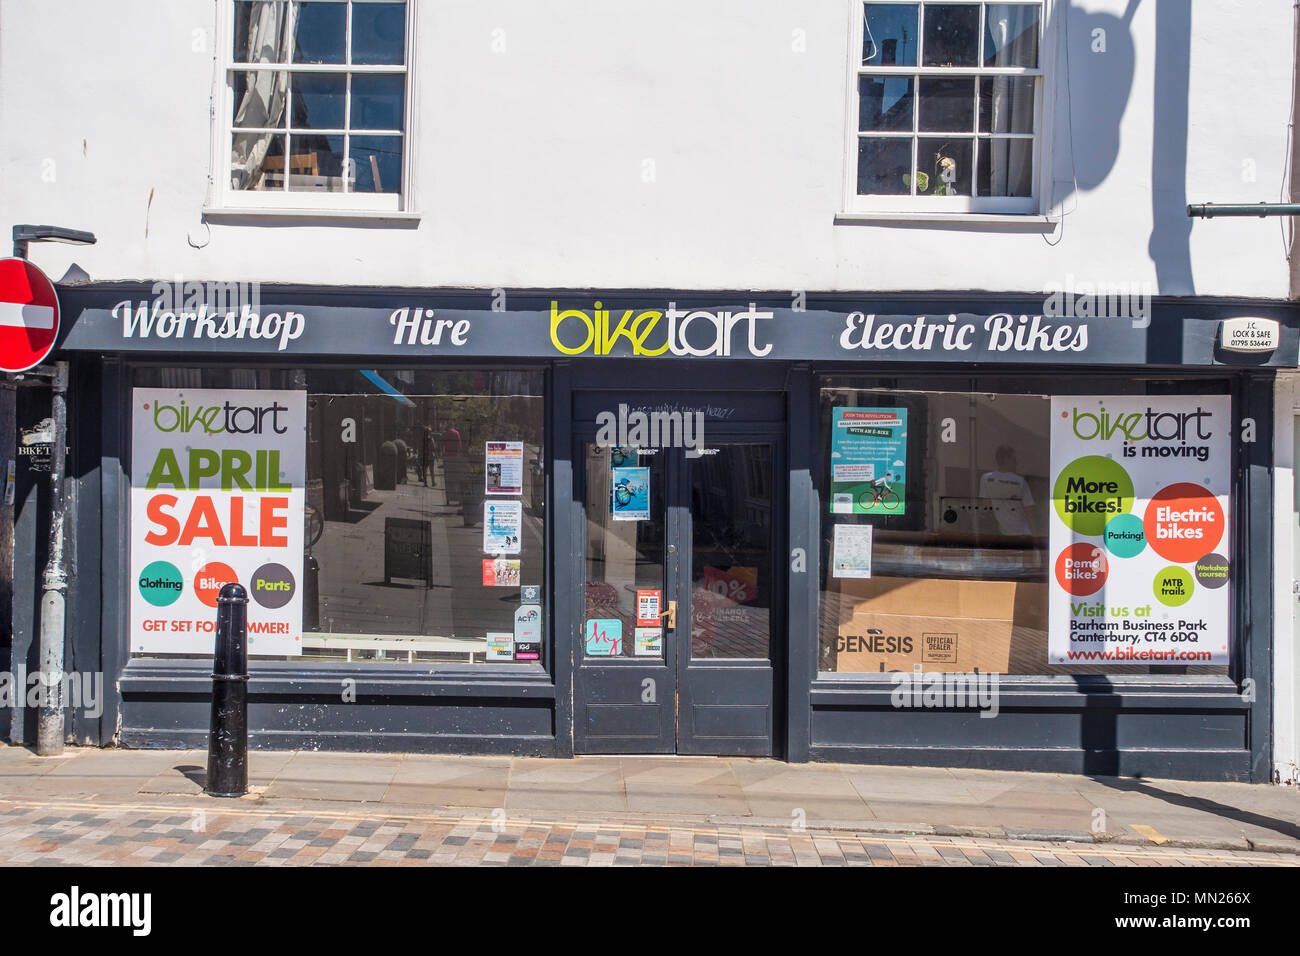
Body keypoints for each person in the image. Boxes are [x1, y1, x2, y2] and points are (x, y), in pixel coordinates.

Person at [979, 445, 1036, 536]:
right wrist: (1035, 537)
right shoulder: (1020, 482)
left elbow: (986, 505)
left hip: (1003, 532)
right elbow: (1029, 512)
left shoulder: (986, 479)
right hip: (1023, 533)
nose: (1016, 463)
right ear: (1007, 460)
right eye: (1014, 459)